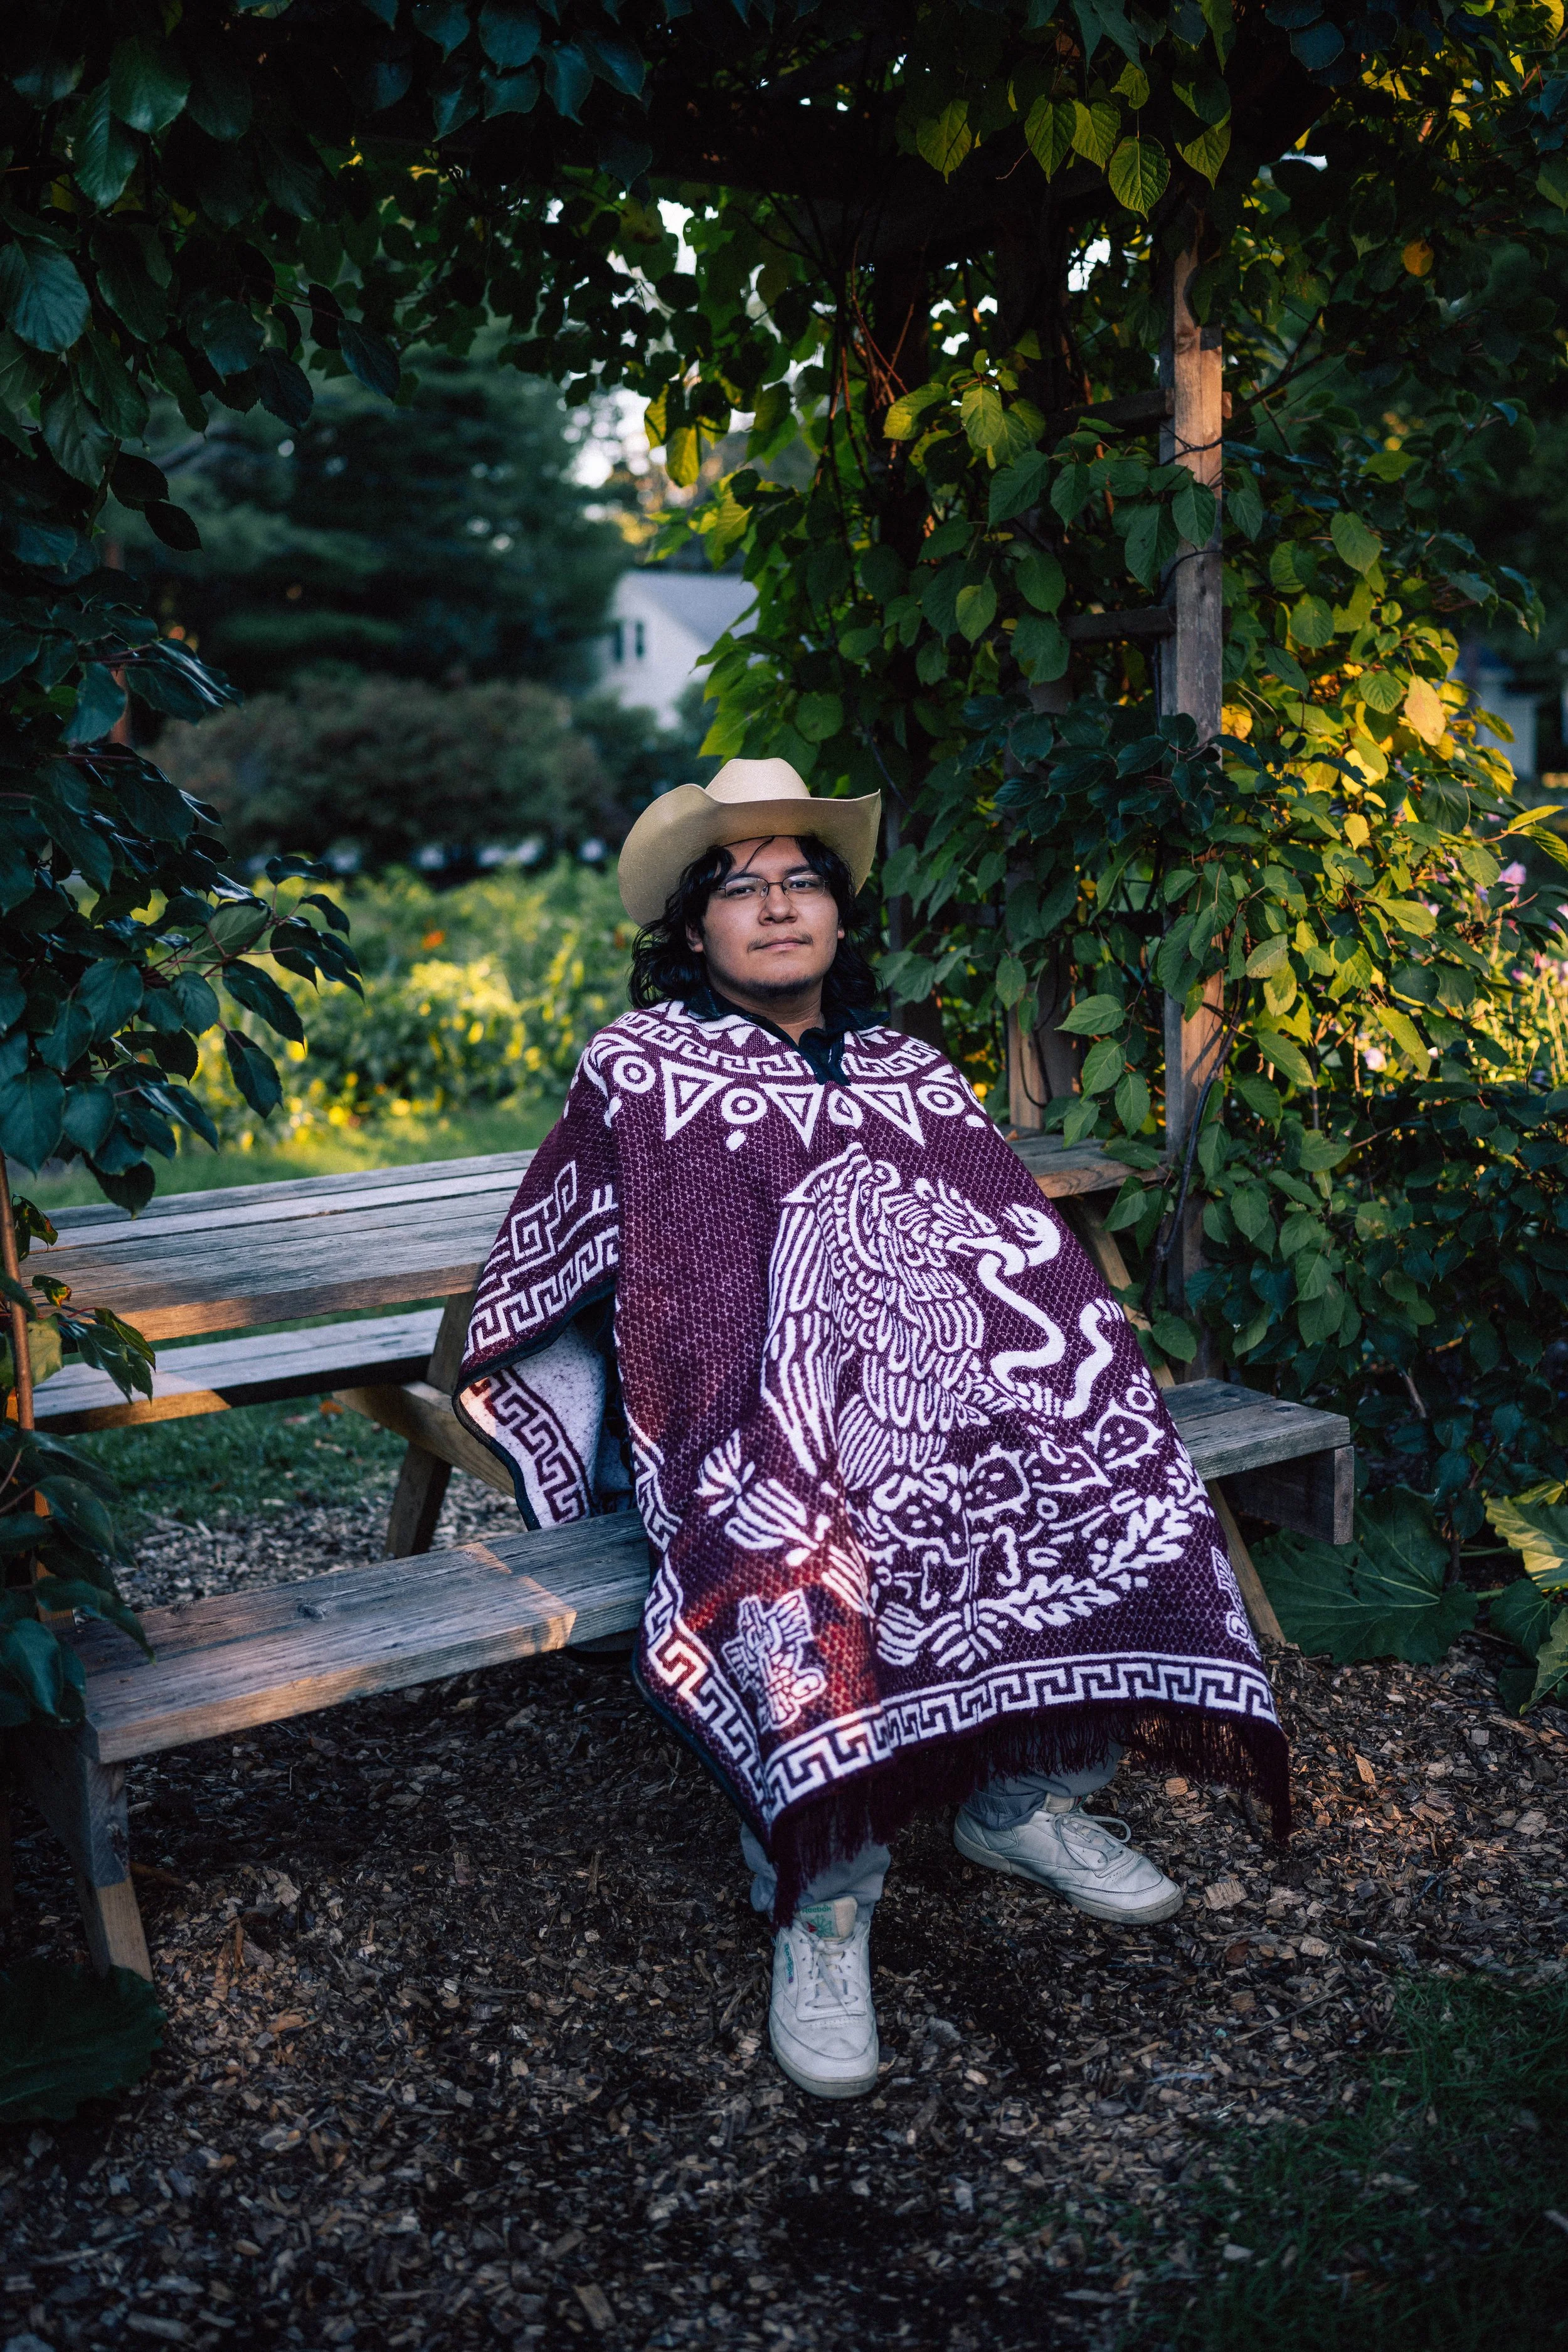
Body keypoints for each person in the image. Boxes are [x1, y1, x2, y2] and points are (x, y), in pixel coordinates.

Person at [454, 758, 1288, 2101]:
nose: (779, 906)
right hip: (746, 1419)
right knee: (800, 1572)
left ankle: (1023, 1801)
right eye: (741, 888)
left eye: (803, 882)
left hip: (948, 1403)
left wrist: (1056, 1402)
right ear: (692, 930)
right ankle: (822, 1897)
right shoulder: (640, 1068)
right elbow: (587, 1255)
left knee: (1125, 1492)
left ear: (839, 916)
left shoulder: (910, 1067)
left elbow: (1016, 1253)